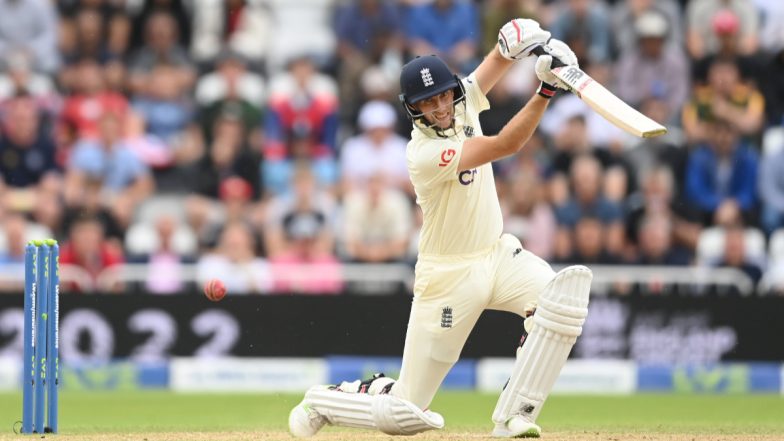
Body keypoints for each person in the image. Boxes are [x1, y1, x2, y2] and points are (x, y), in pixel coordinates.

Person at [289, 19, 592, 438]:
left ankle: (515, 415)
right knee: (405, 412)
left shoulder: (461, 99)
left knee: (562, 305)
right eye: (427, 104)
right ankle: (326, 399)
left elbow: (496, 60)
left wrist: (518, 41)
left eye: (443, 96)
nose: (441, 108)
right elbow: (505, 146)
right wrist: (546, 90)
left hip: (498, 255)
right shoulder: (424, 153)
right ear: (413, 109)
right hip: (448, 276)